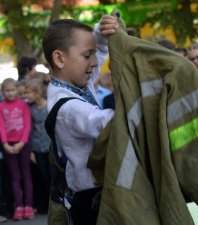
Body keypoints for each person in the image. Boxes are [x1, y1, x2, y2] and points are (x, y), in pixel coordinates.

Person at [42, 15, 117, 225]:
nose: (94, 63)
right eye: (87, 55)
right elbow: (107, 122)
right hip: (93, 201)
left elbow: (101, 50)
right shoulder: (68, 107)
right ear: (59, 59)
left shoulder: (74, 83)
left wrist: (101, 28)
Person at [0, 78, 33, 221]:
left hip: (23, 144)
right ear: (2, 92)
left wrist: (22, 142)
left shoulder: (23, 105)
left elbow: (27, 125)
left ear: (16, 91)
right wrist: (5, 144)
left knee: (26, 176)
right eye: (7, 91)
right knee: (15, 178)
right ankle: (18, 206)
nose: (10, 93)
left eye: (12, 90)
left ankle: (28, 205)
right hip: (9, 145)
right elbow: (1, 126)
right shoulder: (1, 106)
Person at [25, 78, 51, 214]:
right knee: (41, 176)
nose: (26, 95)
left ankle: (54, 204)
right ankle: (43, 205)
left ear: (37, 92)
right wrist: (30, 152)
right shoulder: (30, 109)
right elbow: (29, 130)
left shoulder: (50, 105)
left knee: (51, 176)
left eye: (28, 92)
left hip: (51, 147)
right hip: (37, 148)